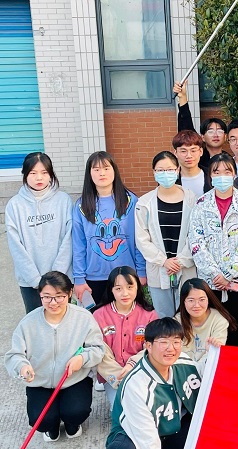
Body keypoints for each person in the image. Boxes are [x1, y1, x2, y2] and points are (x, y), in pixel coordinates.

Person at [5, 271, 104, 442]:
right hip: (41, 383)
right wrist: (22, 367)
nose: (53, 302)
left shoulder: (83, 318)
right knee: (42, 420)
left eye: (59, 296)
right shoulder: (28, 323)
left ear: (70, 293)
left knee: (76, 412)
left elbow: (98, 348)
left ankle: (73, 424)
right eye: (47, 297)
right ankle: (51, 427)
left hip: (74, 379)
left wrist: (82, 359)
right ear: (40, 295)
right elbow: (14, 355)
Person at [188, 153, 238, 346]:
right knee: (213, 330)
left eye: (227, 171)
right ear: (210, 176)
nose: (222, 176)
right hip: (211, 282)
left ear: (234, 174)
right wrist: (216, 274)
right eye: (216, 172)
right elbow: (196, 241)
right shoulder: (201, 204)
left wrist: (229, 274)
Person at [106, 318, 201, 449]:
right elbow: (148, 440)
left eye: (176, 342)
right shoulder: (136, 385)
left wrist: (215, 351)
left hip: (172, 428)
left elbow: (209, 377)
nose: (171, 348)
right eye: (163, 342)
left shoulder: (183, 361)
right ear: (148, 346)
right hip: (136, 434)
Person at [72, 151, 146, 305]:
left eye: (106, 168)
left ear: (114, 170)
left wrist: (141, 271)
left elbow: (139, 240)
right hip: (94, 278)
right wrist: (79, 278)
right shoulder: (81, 205)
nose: (102, 173)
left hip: (126, 276)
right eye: (96, 169)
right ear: (89, 173)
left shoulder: (131, 201)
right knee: (96, 319)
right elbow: (78, 245)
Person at [6, 152, 73, 313]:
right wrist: (36, 280)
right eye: (33, 173)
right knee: (35, 322)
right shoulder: (14, 205)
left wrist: (57, 275)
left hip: (61, 279)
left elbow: (69, 238)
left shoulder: (63, 200)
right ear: (25, 174)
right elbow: (16, 247)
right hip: (30, 282)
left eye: (44, 172)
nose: (39, 178)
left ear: (50, 174)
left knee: (64, 321)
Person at [135, 151, 197, 318]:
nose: (165, 174)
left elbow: (196, 235)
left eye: (169, 169)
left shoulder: (192, 199)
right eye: (160, 170)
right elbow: (141, 239)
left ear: (177, 170)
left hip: (186, 267)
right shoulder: (144, 203)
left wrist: (180, 261)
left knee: (188, 316)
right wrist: (163, 261)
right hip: (158, 268)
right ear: (154, 172)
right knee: (165, 318)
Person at [92, 266, 158, 409]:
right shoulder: (99, 315)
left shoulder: (149, 314)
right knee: (122, 408)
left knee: (148, 406)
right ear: (111, 290)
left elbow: (152, 347)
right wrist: (119, 376)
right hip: (114, 377)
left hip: (142, 372)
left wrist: (132, 366)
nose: (125, 293)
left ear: (137, 287)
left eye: (130, 287)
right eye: (118, 288)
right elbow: (99, 351)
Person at [175, 278, 237, 374]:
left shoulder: (219, 320)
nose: (196, 305)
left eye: (202, 300)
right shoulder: (177, 321)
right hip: (182, 371)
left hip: (208, 370)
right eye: (191, 300)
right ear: (184, 301)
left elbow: (214, 355)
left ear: (208, 299)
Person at [173, 80, 227, 169]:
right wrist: (183, 97)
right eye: (210, 131)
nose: (215, 135)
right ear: (202, 137)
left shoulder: (228, 159)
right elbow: (186, 127)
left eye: (219, 131)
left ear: (225, 136)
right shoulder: (197, 157)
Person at [171, 130, 210, 198]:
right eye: (183, 151)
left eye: (193, 151)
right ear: (175, 153)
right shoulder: (170, 179)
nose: (189, 156)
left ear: (201, 151)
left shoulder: (211, 176)